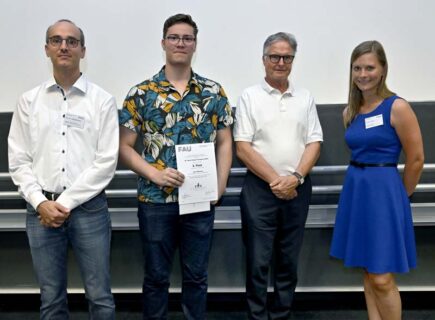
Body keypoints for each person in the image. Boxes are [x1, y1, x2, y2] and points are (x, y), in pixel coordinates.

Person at [118, 13, 233, 320]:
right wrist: (154, 173)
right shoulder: (141, 94)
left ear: (195, 44)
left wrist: (219, 186)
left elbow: (224, 142)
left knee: (196, 277)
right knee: (156, 278)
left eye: (187, 38)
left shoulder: (213, 92)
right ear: (163, 43)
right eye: (174, 37)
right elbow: (124, 148)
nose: (180, 43)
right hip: (156, 201)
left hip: (199, 200)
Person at [8, 19, 118, 319]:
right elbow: (19, 160)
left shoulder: (102, 101)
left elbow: (106, 161)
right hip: (40, 210)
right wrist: (42, 202)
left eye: (71, 41)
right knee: (51, 299)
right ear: (47, 49)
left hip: (89, 211)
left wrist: (64, 203)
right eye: (56, 40)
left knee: (100, 298)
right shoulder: (29, 101)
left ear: (83, 50)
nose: (64, 46)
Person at [330, 40, 424, 320]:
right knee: (369, 271)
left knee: (382, 277)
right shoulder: (350, 112)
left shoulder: (398, 107)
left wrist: (399, 197)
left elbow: (416, 159)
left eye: (369, 67)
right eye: (357, 68)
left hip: (384, 193)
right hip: (357, 192)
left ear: (382, 70)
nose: (362, 74)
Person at [233, 32, 323, 320]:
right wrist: (276, 180)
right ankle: (257, 315)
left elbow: (314, 143)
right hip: (260, 189)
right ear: (264, 60)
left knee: (288, 258)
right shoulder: (249, 96)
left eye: (287, 57)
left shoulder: (305, 97)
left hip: (298, 187)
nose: (280, 62)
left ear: (293, 61)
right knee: (258, 260)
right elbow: (243, 148)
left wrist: (295, 177)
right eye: (275, 56)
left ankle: (282, 313)